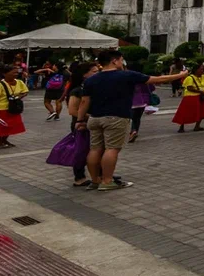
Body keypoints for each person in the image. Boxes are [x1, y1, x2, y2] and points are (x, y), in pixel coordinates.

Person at [78, 49, 187, 190]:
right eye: (120, 59)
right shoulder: (126, 75)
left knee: (95, 149)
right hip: (116, 117)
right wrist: (181, 75)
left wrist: (80, 121)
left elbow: (84, 102)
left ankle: (94, 180)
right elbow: (158, 79)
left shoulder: (91, 79)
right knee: (111, 149)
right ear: (114, 61)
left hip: (95, 118)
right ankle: (107, 181)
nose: (122, 62)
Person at [66, 61, 99, 187]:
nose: (98, 74)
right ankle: (79, 177)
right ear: (84, 75)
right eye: (94, 72)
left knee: (96, 150)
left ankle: (100, 174)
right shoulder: (77, 90)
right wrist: (89, 116)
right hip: (81, 125)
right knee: (81, 151)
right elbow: (72, 110)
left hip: (94, 124)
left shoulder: (92, 87)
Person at [172, 61, 204, 133]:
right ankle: (181, 126)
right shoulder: (190, 78)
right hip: (190, 97)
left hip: (201, 97)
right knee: (186, 112)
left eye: (203, 69)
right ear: (196, 70)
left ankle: (197, 126)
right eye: (201, 69)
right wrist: (201, 91)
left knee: (201, 112)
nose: (202, 71)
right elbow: (189, 88)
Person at [127, 74, 152, 144]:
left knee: (132, 118)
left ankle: (133, 131)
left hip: (132, 102)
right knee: (137, 118)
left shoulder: (129, 80)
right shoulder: (143, 79)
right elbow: (151, 88)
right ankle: (135, 131)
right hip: (142, 102)